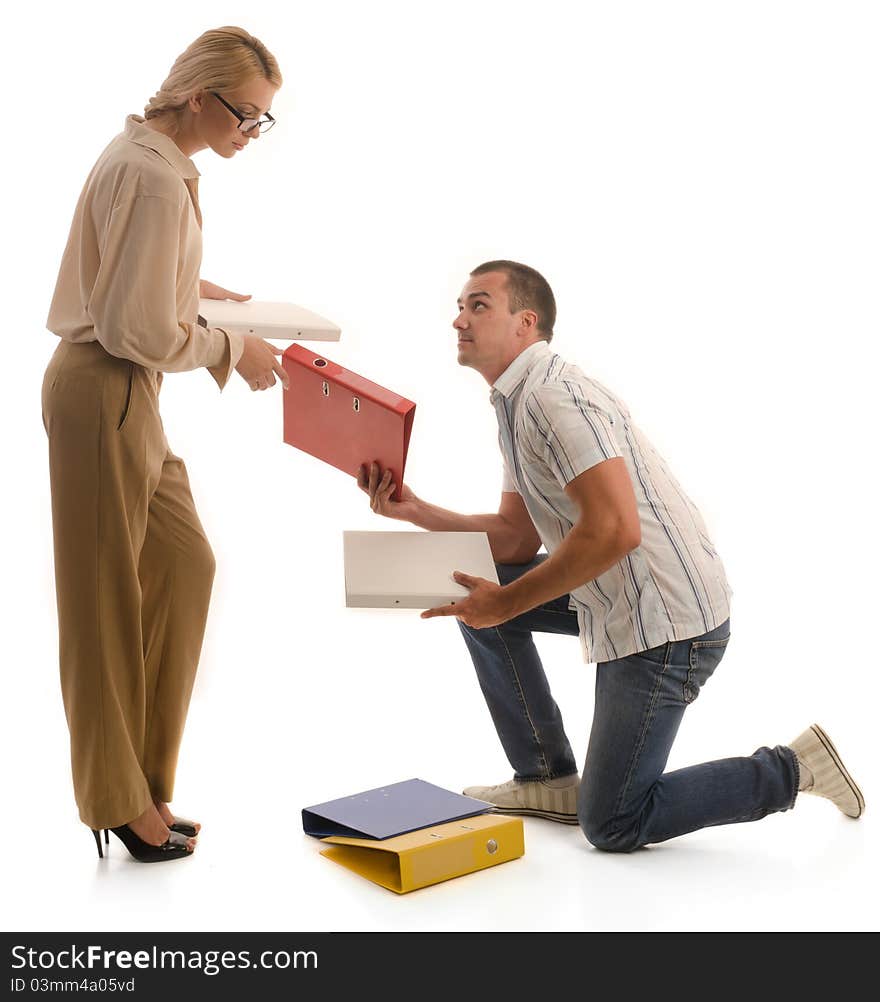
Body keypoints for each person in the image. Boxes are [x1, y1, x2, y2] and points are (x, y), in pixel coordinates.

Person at [359, 260, 864, 852]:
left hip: (667, 625)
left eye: (478, 306)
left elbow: (615, 530)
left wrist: (503, 606)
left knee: (613, 823)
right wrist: (416, 511)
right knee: (476, 597)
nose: (458, 319)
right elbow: (515, 539)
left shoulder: (552, 396)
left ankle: (792, 768)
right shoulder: (517, 405)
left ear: (527, 323)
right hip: (621, 591)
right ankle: (547, 777)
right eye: (461, 306)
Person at [42, 26, 288, 862]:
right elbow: (137, 329)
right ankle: (117, 803)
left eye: (263, 120)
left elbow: (131, 279)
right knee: (102, 605)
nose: (250, 132)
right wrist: (229, 346)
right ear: (197, 97)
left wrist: (194, 286)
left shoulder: (153, 158)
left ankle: (141, 780)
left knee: (186, 564)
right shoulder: (152, 176)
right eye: (245, 115)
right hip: (101, 389)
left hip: (123, 395)